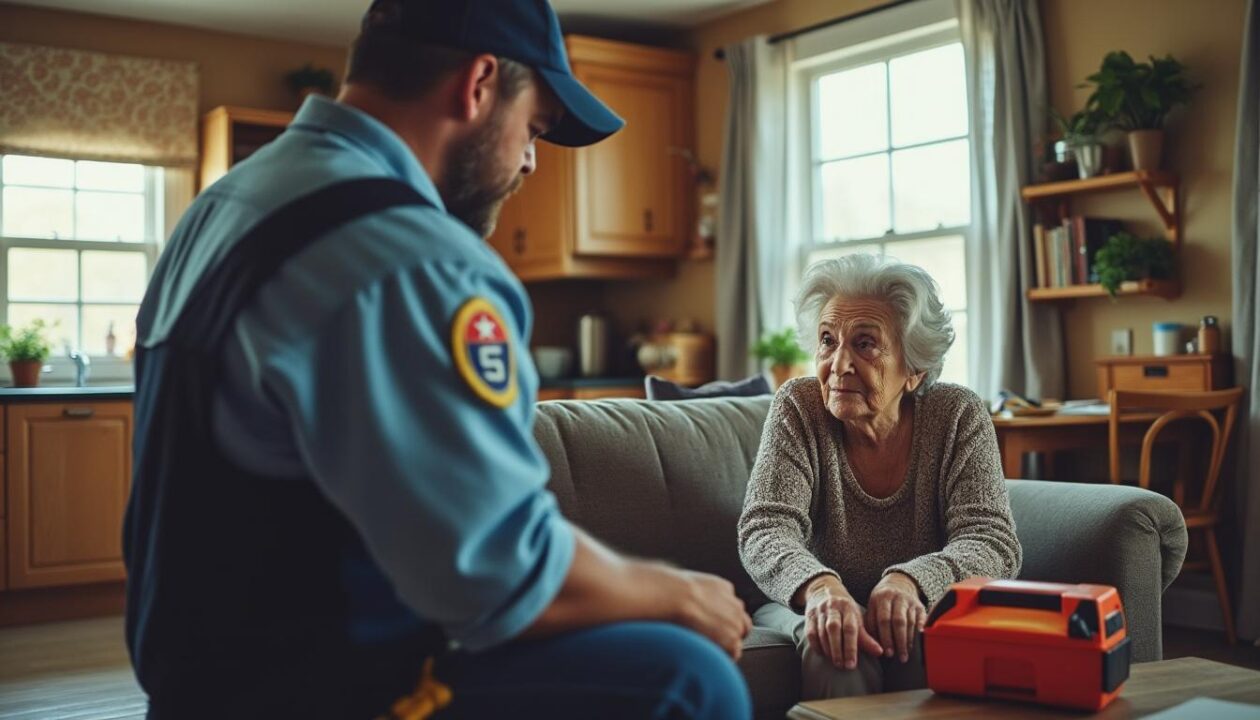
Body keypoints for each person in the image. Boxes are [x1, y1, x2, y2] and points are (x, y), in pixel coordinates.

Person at [122, 1, 752, 718]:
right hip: (327, 690)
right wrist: (678, 591)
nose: (529, 160)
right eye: (535, 127)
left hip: (196, 686)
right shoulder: (410, 256)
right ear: (478, 84)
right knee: (691, 679)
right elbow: (500, 576)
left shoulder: (227, 205)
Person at [737, 254, 1021, 700]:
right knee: (834, 644)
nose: (839, 363)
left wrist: (910, 581)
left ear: (914, 370)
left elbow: (991, 541)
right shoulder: (799, 406)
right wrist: (820, 587)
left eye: (865, 344)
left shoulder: (957, 415)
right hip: (803, 599)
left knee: (933, 639)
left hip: (914, 599)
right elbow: (765, 529)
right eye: (828, 341)